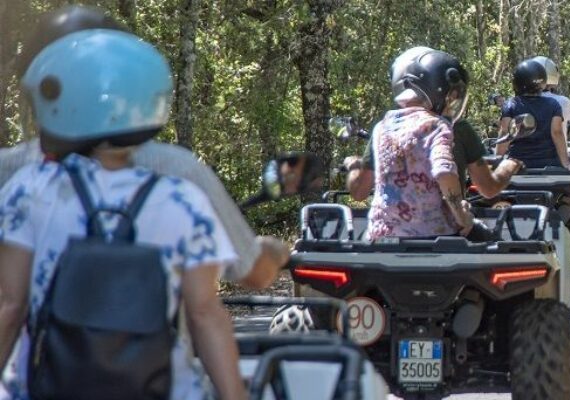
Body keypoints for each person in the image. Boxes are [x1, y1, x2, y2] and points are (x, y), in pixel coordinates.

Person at [0, 29, 245, 400]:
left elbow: (11, 305)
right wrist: (235, 396)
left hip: (44, 388)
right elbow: (205, 314)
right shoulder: (182, 201)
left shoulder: (30, 191)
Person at [0, 5, 287, 290]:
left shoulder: (12, 172)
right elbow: (253, 273)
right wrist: (274, 251)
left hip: (32, 336)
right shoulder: (177, 170)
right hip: (159, 337)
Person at [343, 47, 478, 239]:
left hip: (382, 235)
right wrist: (461, 215)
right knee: (484, 237)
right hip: (433, 236)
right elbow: (444, 171)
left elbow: (363, 189)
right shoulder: (435, 126)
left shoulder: (382, 127)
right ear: (439, 92)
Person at [495, 60, 570, 171]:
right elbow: (557, 133)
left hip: (519, 164)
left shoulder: (511, 105)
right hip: (550, 163)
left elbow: (505, 133)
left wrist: (497, 161)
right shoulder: (553, 104)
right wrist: (566, 163)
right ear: (543, 81)